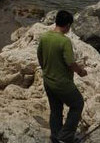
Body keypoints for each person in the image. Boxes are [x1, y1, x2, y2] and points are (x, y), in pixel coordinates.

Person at [37, 9, 87, 143]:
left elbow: (40, 56)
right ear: (68, 25)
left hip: (48, 81)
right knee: (77, 104)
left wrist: (46, 69)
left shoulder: (45, 37)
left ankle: (55, 136)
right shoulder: (64, 41)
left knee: (56, 109)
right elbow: (70, 62)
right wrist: (81, 72)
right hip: (62, 83)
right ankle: (65, 137)